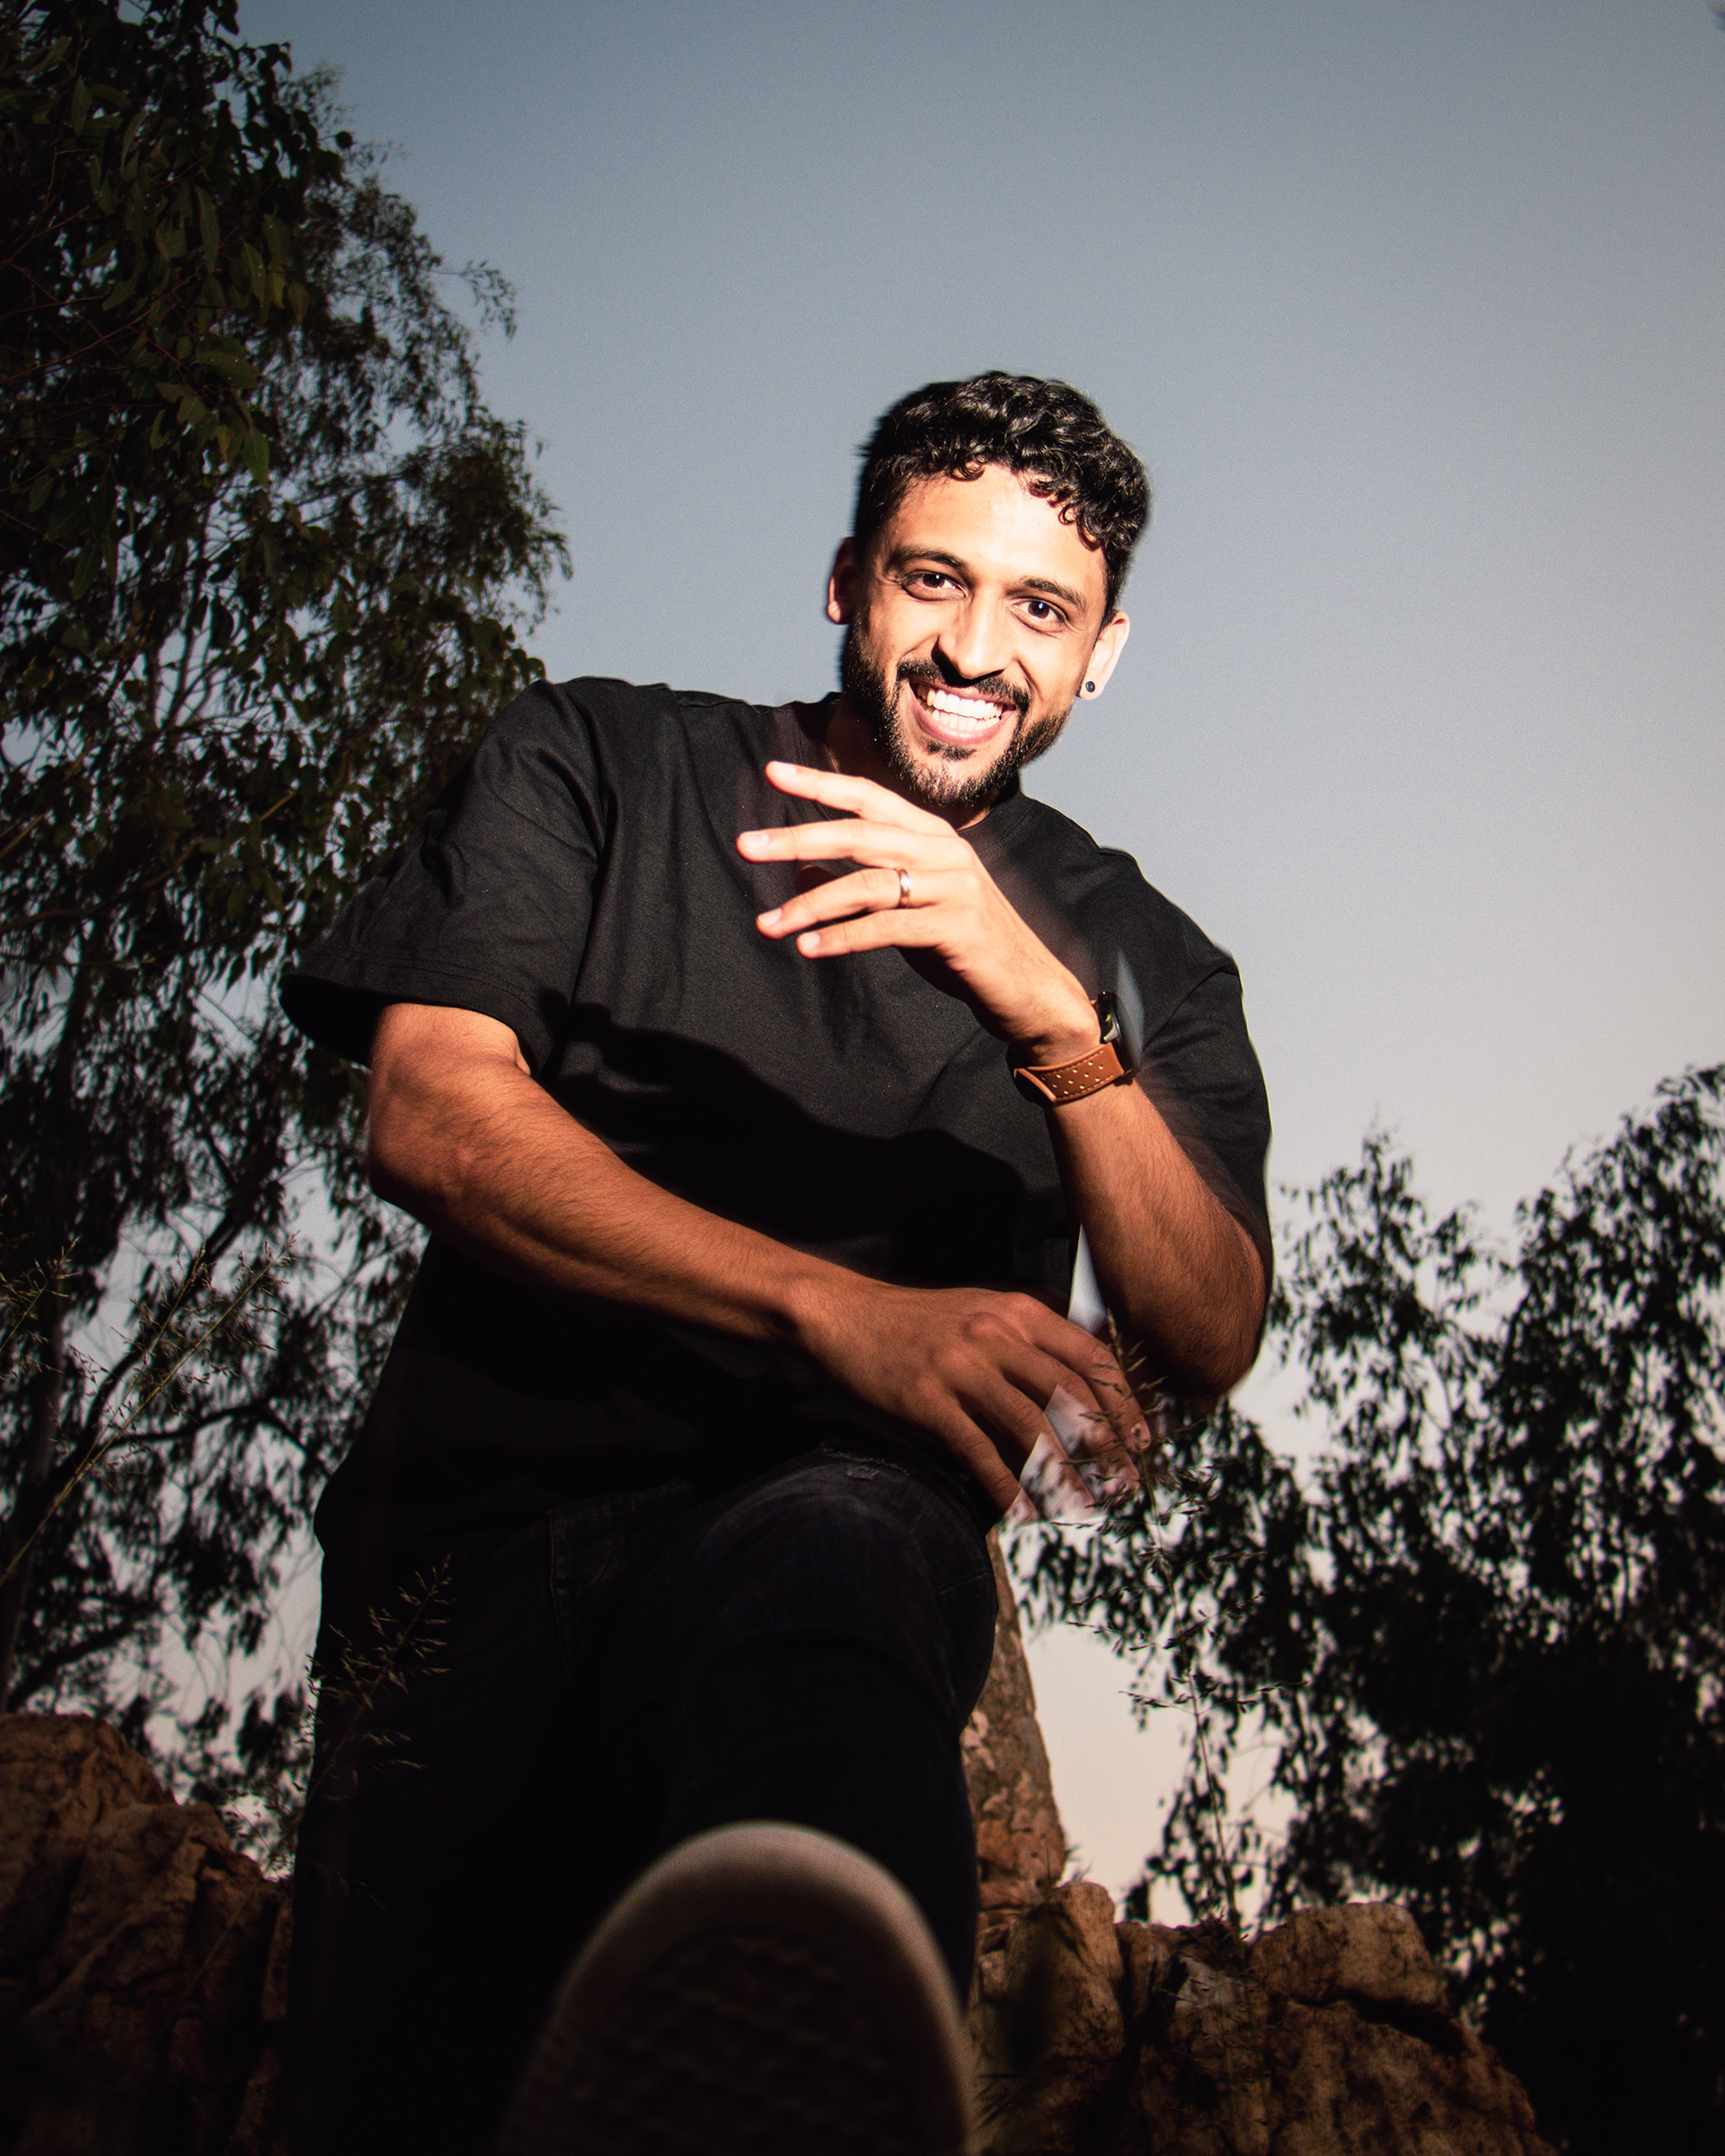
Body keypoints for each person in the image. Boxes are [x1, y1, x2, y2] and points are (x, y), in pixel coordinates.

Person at [279, 372, 1271, 2154]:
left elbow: (1207, 1330)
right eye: (931, 579)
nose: (975, 649)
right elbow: (431, 1115)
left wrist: (1055, 1023)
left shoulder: (1149, 962)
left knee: (843, 1538)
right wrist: (834, 1312)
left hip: (835, 1582)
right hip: (479, 1560)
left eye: (1040, 609)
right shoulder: (598, 758)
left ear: (1103, 652)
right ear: (845, 582)